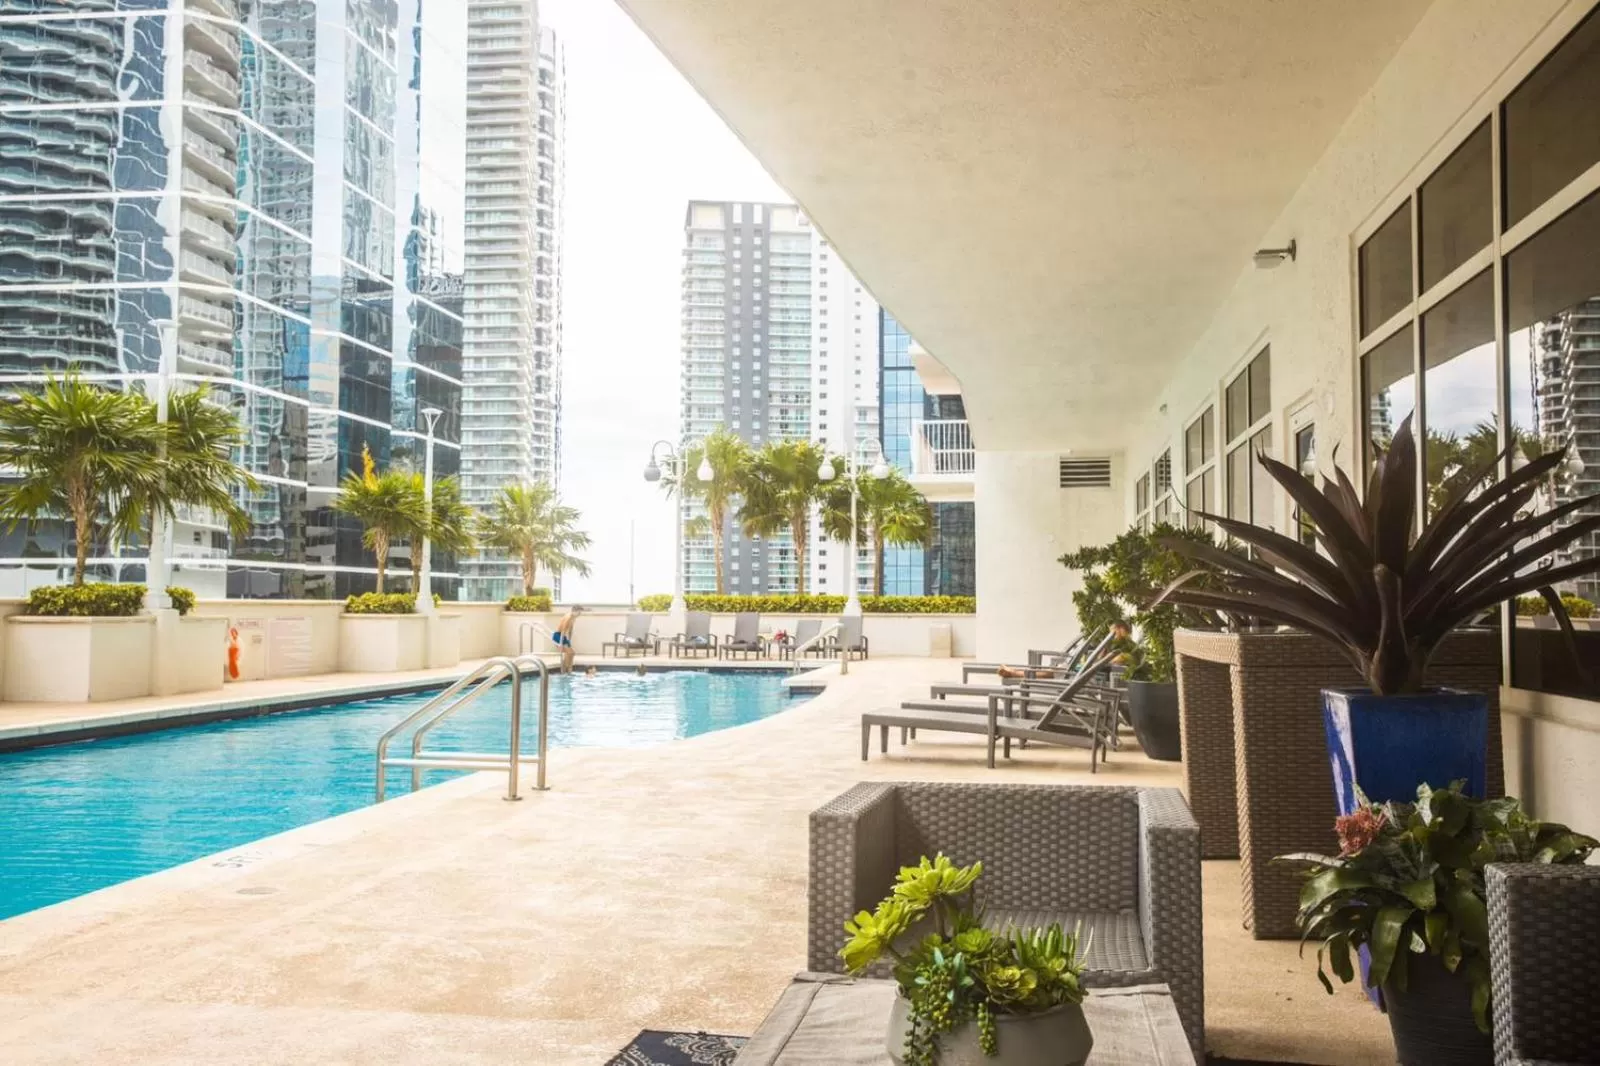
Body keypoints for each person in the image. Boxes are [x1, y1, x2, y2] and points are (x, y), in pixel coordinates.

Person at [997, 621, 1131, 680]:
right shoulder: (1118, 648)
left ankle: (1014, 673)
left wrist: (1104, 654)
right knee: (1049, 671)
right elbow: (1100, 661)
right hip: (1080, 670)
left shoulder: (1126, 652)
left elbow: (1104, 663)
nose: (1112, 635)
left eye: (1113, 632)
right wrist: (1105, 649)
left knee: (1048, 673)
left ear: (1121, 630)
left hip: (1080, 675)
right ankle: (1014, 672)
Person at [553, 604, 584, 674]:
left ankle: (569, 670)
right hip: (558, 636)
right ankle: (565, 671)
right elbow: (563, 630)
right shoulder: (568, 617)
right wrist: (560, 644)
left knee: (571, 653)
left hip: (563, 637)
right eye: (579, 612)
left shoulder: (573, 618)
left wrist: (569, 641)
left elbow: (570, 630)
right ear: (574, 611)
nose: (580, 614)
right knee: (570, 653)